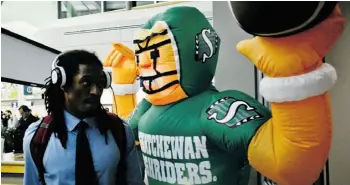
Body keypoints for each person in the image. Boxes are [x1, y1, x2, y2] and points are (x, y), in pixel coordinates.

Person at [104, 3, 344, 185]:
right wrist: (124, 89)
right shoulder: (147, 108)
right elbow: (121, 139)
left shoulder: (217, 108)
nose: (143, 66)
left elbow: (291, 165)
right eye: (141, 57)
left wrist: (291, 71)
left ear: (195, 53)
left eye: (154, 54)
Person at [23, 50, 144, 185]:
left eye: (100, 84)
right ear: (63, 83)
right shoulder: (38, 136)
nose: (96, 91)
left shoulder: (120, 131)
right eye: (86, 83)